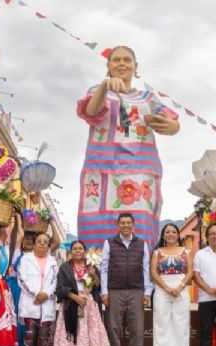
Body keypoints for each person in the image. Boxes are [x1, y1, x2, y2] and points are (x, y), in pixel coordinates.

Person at [76, 45, 180, 248]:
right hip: (102, 168)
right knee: (98, 219)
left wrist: (173, 126)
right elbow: (90, 110)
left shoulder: (147, 98)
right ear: (108, 66)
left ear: (135, 66)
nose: (122, 63)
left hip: (140, 168)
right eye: (116, 60)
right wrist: (105, 87)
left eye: (127, 60)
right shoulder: (98, 92)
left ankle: (141, 267)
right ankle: (96, 266)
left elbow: (172, 121)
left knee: (139, 223)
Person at [100, 213, 152, 346]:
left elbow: (146, 269)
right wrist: (104, 292)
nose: (125, 225)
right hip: (115, 290)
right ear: (118, 225)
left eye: (128, 222)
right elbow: (104, 269)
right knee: (113, 328)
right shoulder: (109, 242)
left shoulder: (142, 243)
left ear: (133, 225)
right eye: (122, 223)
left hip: (136, 290)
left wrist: (147, 292)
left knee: (137, 328)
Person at [52, 241, 110, 346]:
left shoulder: (91, 265)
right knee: (71, 336)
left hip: (88, 305)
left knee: (86, 337)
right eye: (75, 249)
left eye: (80, 248)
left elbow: (98, 286)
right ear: (71, 252)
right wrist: (75, 298)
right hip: (71, 304)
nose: (78, 251)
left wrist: (94, 275)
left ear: (84, 251)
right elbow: (60, 287)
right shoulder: (64, 268)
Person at [150, 224, 193, 346]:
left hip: (181, 290)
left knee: (180, 329)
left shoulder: (186, 251)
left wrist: (180, 287)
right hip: (162, 290)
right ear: (163, 235)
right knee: (161, 328)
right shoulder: (157, 252)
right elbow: (153, 272)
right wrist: (167, 288)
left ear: (178, 234)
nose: (170, 234)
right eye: (167, 232)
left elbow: (190, 272)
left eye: (173, 232)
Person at [17, 232, 58, 346]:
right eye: (39, 241)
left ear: (48, 245)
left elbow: (55, 281)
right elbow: (22, 279)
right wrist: (36, 293)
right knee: (29, 336)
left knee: (44, 337)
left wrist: (46, 293)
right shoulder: (26, 259)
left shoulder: (53, 261)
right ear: (34, 244)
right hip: (31, 302)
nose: (42, 243)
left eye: (45, 241)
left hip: (46, 303)